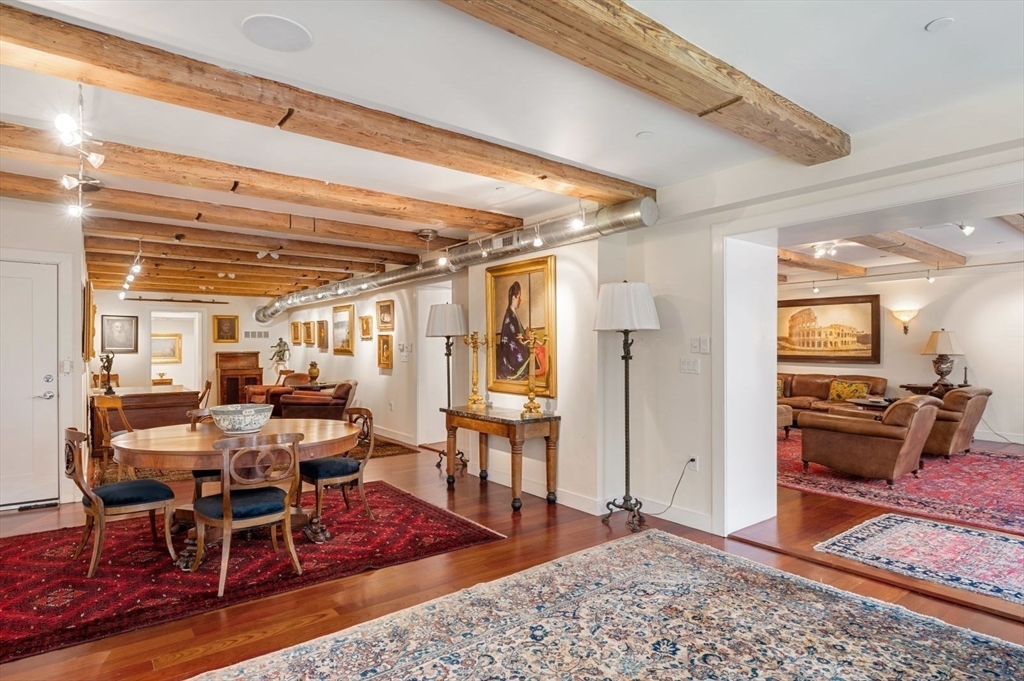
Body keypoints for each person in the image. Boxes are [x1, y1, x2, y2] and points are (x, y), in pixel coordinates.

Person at [497, 281, 531, 380]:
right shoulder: (509, 315)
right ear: (513, 298)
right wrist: (524, 339)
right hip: (510, 351)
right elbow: (510, 336)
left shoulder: (513, 314)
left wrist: (526, 333)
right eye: (519, 297)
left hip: (516, 343)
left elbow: (517, 332)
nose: (520, 300)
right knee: (528, 351)